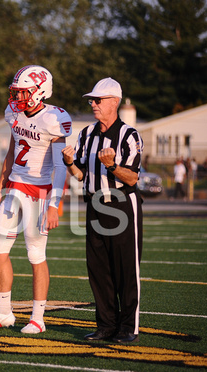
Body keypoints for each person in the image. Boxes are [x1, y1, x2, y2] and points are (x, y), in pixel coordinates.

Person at [0, 65, 72, 333]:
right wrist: (0, 186)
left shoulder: (53, 119)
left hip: (40, 192)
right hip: (15, 188)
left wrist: (54, 206)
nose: (17, 98)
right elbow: (12, 149)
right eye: (16, 92)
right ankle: (4, 312)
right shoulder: (14, 113)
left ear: (40, 91)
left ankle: (38, 318)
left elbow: (61, 166)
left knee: (35, 254)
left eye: (23, 92)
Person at [62, 77, 143, 343]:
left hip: (121, 204)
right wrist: (69, 162)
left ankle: (128, 327)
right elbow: (80, 175)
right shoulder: (86, 133)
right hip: (94, 205)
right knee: (99, 269)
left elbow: (132, 178)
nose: (93, 104)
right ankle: (106, 325)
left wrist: (110, 166)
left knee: (125, 269)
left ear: (115, 102)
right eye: (91, 100)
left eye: (98, 100)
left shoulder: (129, 135)